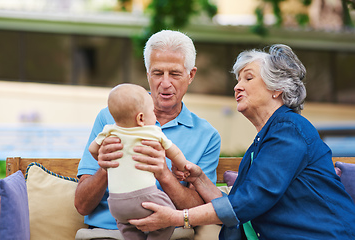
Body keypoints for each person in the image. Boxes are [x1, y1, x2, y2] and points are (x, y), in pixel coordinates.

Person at [128, 44, 355, 239]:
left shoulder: (289, 130)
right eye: (237, 80)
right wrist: (200, 180)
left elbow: (249, 202)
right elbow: (237, 206)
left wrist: (178, 217)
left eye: (248, 77)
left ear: (276, 88)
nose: (237, 86)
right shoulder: (264, 140)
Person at [74, 30, 221, 233]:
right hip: (107, 233)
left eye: (175, 74)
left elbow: (198, 211)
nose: (165, 83)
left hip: (168, 235)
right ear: (147, 74)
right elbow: (82, 205)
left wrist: (164, 174)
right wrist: (106, 168)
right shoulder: (109, 118)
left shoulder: (207, 136)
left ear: (191, 75)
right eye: (158, 73)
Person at [88, 83, 190, 240]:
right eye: (153, 113)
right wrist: (182, 166)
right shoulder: (152, 132)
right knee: (171, 218)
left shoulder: (109, 130)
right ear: (141, 118)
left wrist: (103, 162)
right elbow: (174, 151)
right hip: (145, 198)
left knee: (125, 225)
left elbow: (93, 150)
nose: (155, 117)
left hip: (116, 204)